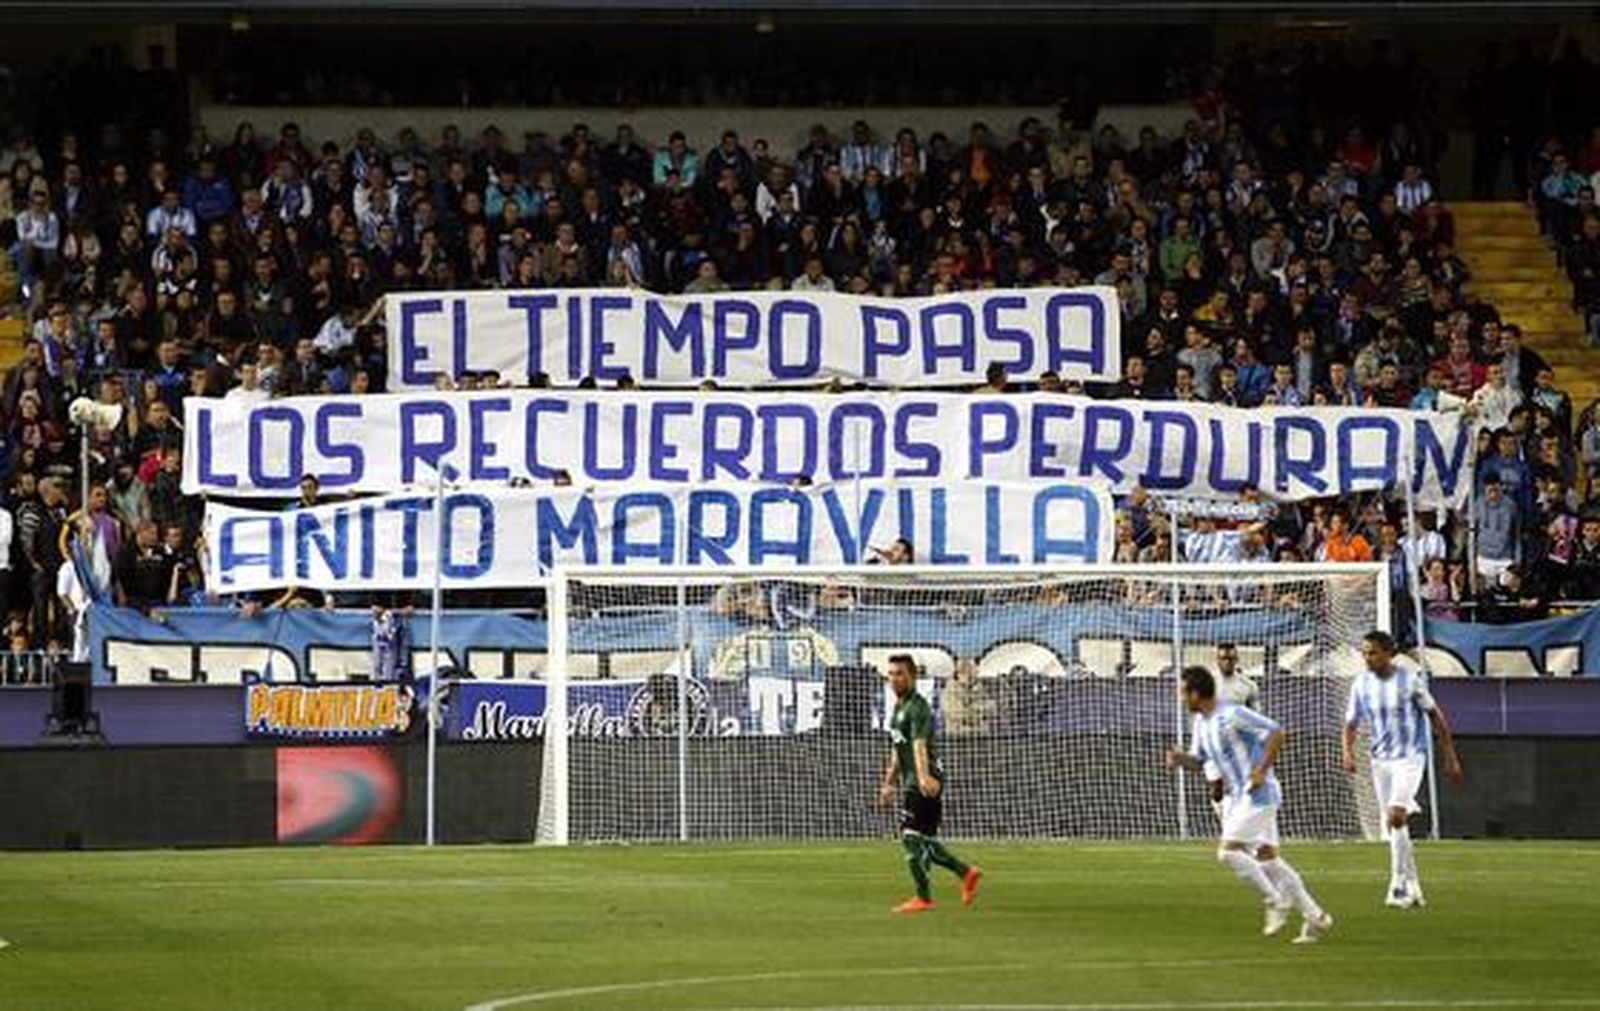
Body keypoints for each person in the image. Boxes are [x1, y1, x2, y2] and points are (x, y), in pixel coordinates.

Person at [1164, 665, 1333, 943]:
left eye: (1183, 693)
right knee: (1269, 860)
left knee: (1227, 852)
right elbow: (1202, 760)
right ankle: (1316, 917)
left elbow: (1276, 732)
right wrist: (1181, 759)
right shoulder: (1201, 724)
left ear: (1196, 694)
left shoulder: (1231, 714)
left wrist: (1260, 770)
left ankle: (1275, 900)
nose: (1181, 700)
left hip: (1259, 794)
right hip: (1239, 798)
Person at [1341, 630, 1463, 910]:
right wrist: (1347, 752)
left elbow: (1435, 715)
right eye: (1364, 653)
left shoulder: (1410, 681)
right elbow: (1350, 724)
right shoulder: (1361, 684)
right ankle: (1415, 887)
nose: (1367, 658)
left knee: (1397, 816)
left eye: (1372, 652)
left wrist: (1450, 756)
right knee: (1394, 823)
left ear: (1388, 653)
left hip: (1410, 757)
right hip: (1379, 760)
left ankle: (1396, 884)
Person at [877, 653, 982, 913]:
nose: (894, 679)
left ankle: (923, 898)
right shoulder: (899, 708)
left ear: (912, 677)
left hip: (924, 780)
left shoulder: (918, 707)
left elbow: (919, 745)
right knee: (926, 841)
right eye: (890, 674)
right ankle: (966, 872)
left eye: (899, 673)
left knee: (910, 836)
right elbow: (898, 748)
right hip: (915, 780)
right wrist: (889, 783)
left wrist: (923, 776)